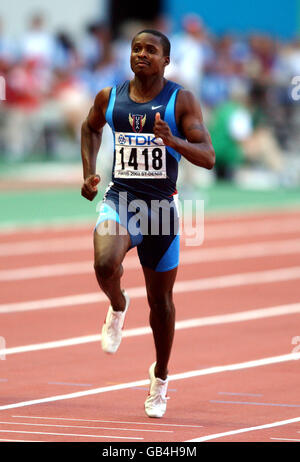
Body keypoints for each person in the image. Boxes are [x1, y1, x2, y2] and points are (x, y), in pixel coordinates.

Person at [80, 29, 215, 418]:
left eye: (151, 50)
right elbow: (90, 128)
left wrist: (174, 142)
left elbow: (208, 157)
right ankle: (118, 305)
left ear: (166, 61)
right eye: (136, 48)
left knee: (162, 305)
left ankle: (160, 378)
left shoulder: (180, 100)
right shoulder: (111, 97)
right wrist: (89, 173)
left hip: (160, 211)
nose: (142, 55)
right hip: (120, 200)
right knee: (105, 262)